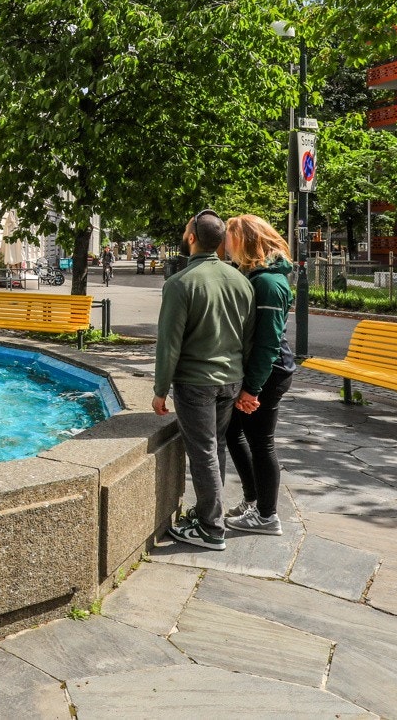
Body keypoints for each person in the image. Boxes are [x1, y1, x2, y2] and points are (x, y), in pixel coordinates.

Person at [153, 209, 255, 551]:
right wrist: (245, 383)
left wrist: (159, 390)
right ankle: (209, 513)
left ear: (192, 238)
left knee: (204, 453)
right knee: (217, 447)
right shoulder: (240, 280)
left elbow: (169, 344)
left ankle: (211, 529)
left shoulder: (180, 284)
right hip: (231, 379)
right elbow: (249, 337)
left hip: (196, 382)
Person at [223, 215, 296, 536]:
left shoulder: (268, 283)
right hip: (261, 370)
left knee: (261, 442)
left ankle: (267, 516)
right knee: (234, 432)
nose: (226, 244)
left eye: (230, 238)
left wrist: (252, 388)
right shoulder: (257, 277)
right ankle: (254, 501)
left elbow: (268, 342)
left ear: (245, 241)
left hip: (269, 372)